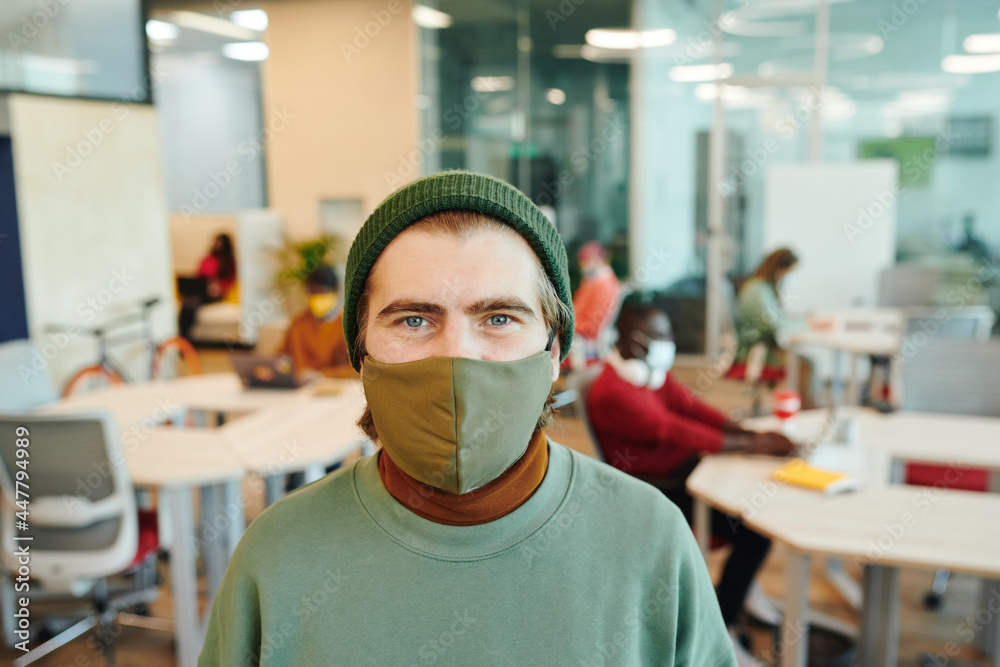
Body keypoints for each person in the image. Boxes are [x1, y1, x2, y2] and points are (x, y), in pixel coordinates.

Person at [200, 171, 737, 666]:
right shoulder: (276, 558)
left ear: (554, 352)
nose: (455, 358)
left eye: (499, 318)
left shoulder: (652, 542)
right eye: (414, 319)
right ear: (361, 351)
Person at [587, 296, 795, 666]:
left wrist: (742, 430)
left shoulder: (646, 372)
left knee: (751, 514)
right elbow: (674, 431)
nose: (670, 342)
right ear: (636, 341)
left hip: (683, 472)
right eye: (662, 335)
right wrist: (750, 443)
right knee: (754, 532)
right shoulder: (614, 393)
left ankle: (740, 590)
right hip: (655, 491)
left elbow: (688, 406)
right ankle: (724, 627)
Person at [727, 247, 813, 405]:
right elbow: (773, 325)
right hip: (756, 351)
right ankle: (804, 407)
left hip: (762, 345)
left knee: (805, 361)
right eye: (791, 271)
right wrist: (807, 323)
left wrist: (803, 321)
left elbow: (777, 319)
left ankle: (804, 406)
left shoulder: (763, 288)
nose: (791, 277)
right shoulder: (756, 290)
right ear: (779, 269)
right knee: (804, 365)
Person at [278, 264, 356, 380]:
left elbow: (356, 370)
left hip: (330, 389)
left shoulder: (347, 325)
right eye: (312, 292)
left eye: (322, 292)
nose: (317, 297)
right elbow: (279, 358)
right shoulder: (298, 322)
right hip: (296, 390)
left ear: (336, 291)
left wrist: (322, 375)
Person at [178, 233, 237, 340]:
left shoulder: (229, 261)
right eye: (216, 241)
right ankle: (183, 335)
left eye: (220, 242)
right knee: (188, 302)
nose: (218, 244)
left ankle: (185, 336)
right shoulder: (207, 259)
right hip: (201, 291)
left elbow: (230, 280)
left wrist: (219, 288)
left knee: (192, 302)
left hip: (216, 294)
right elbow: (197, 277)